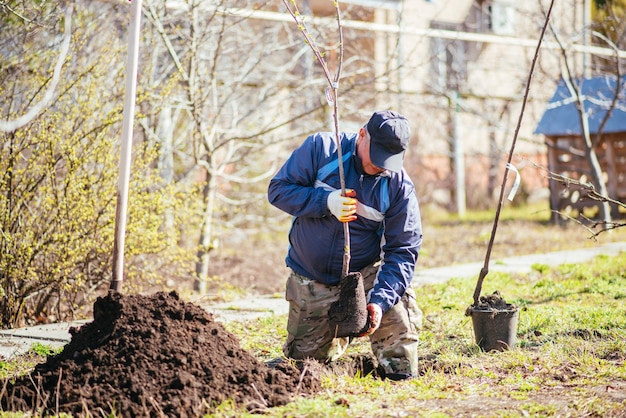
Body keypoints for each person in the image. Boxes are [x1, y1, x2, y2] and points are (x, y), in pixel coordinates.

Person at [267, 110, 423, 380]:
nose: (380, 166)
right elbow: (278, 190)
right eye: (376, 158)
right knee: (305, 367)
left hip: (363, 277)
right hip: (312, 279)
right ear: (362, 135)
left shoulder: (398, 186)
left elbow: (403, 251)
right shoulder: (321, 149)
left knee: (397, 305)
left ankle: (397, 370)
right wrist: (325, 202)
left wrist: (378, 303)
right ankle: (332, 339)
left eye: (388, 161)